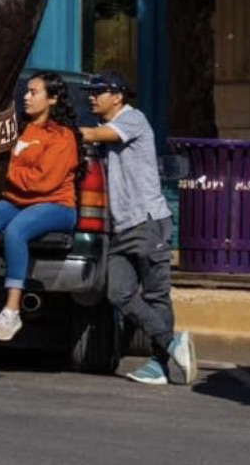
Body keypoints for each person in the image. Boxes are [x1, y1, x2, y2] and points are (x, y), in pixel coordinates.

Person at [75, 71, 196, 386]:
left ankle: (159, 364)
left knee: (157, 295)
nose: (91, 97)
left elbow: (91, 136)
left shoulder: (133, 119)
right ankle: (171, 343)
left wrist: (53, 129)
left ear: (117, 96)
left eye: (97, 91)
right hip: (123, 227)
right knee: (117, 292)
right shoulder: (111, 125)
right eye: (90, 91)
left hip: (147, 222)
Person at [0, 72, 82, 343]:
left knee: (16, 231)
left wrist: (5, 170)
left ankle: (12, 310)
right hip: (17, 200)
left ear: (52, 99)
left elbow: (43, 181)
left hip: (56, 205)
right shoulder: (19, 129)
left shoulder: (63, 137)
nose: (26, 97)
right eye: (26, 91)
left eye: (33, 92)